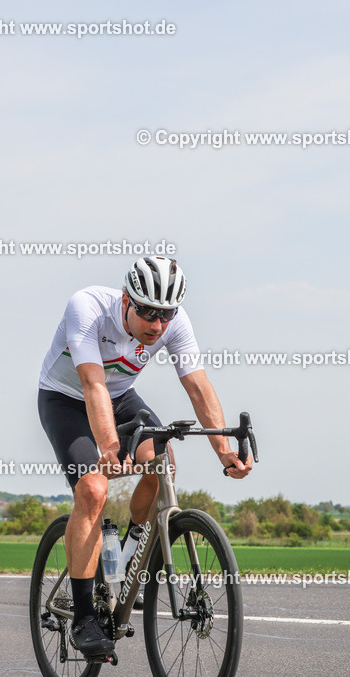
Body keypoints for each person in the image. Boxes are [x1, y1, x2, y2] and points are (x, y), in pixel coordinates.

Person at [37, 256, 253, 657]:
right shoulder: (87, 307)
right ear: (126, 301)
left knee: (162, 463)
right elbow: (92, 382)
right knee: (94, 491)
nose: (157, 325)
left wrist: (224, 450)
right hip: (66, 400)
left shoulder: (175, 323)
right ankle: (84, 617)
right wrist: (109, 448)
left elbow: (197, 385)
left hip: (121, 399)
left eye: (165, 316)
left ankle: (132, 555)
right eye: (148, 314)